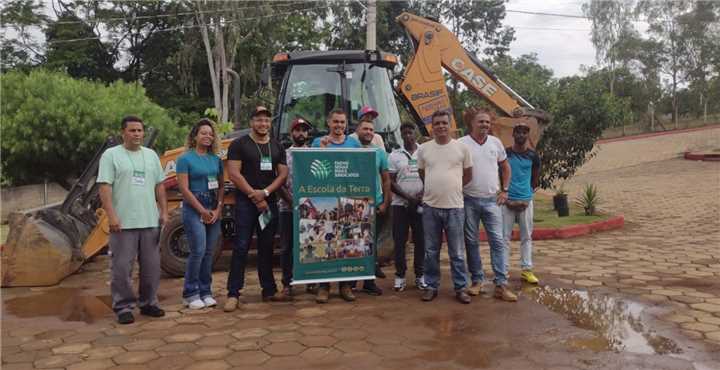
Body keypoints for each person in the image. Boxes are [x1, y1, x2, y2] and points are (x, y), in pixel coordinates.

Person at [97, 115, 167, 324]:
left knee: (152, 267)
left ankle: (149, 303)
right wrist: (112, 216)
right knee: (121, 267)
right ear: (123, 132)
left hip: (149, 221)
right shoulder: (111, 155)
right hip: (123, 223)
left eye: (139, 130)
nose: (137, 134)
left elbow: (160, 185)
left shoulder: (151, 155)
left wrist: (163, 211)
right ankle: (123, 306)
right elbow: (104, 187)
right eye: (132, 130)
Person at [224, 106, 289, 312]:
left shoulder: (277, 146)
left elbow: (282, 175)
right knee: (241, 247)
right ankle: (233, 293)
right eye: (259, 120)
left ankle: (268, 290)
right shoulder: (239, 144)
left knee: (267, 247)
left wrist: (266, 194)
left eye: (266, 120)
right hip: (245, 203)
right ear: (252, 122)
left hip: (268, 203)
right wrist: (255, 195)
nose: (263, 124)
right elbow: (234, 173)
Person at [459, 107, 517, 302]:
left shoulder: (496, 143)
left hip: (492, 201)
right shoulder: (461, 144)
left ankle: (501, 284)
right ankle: (477, 281)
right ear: (472, 123)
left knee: (498, 242)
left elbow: (505, 167)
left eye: (487, 122)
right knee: (471, 242)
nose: (485, 125)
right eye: (481, 121)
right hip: (468, 201)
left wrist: (505, 190)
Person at [417, 110, 474, 304]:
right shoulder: (424, 149)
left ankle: (460, 288)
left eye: (444, 123)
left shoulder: (462, 148)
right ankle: (431, 286)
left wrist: (453, 187)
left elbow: (468, 175)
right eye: (437, 123)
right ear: (432, 126)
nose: (441, 126)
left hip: (455, 207)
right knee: (431, 250)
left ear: (450, 125)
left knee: (457, 252)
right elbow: (422, 173)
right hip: (430, 207)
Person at [312, 108, 361, 303]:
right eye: (336, 122)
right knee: (326, 242)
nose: (339, 125)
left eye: (342, 122)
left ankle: (346, 286)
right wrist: (322, 150)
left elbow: (360, 169)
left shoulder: (354, 144)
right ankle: (324, 287)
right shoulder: (318, 142)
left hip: (348, 201)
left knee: (346, 242)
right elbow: (311, 167)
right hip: (326, 200)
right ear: (328, 123)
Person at [176, 119, 224, 310]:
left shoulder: (216, 159)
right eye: (203, 133)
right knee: (198, 250)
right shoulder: (185, 159)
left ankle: (206, 291)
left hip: (213, 206)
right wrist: (202, 211)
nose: (207, 136)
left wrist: (218, 208)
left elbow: (221, 186)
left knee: (209, 252)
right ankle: (190, 293)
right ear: (195, 136)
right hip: (194, 207)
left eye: (211, 134)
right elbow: (184, 189)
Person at [353, 118, 391, 296]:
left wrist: (385, 202)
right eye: (365, 129)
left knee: (370, 246)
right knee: (352, 244)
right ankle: (351, 282)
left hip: (374, 204)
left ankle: (369, 282)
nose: (368, 132)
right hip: (353, 205)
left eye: (371, 129)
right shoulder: (349, 150)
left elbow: (386, 179)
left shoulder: (380, 153)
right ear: (357, 131)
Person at [388, 122, 427, 291]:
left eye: (410, 132)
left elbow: (431, 175)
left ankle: (420, 275)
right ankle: (400, 276)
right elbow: (390, 181)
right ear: (401, 135)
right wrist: (408, 197)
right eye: (404, 133)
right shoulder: (394, 155)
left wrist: (421, 196)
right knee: (399, 242)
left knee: (421, 241)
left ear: (415, 133)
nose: (408, 136)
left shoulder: (424, 152)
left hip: (421, 204)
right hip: (400, 205)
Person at [502, 122, 541, 284]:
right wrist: (505, 196)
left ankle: (527, 270)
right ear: (513, 134)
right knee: (504, 238)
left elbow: (535, 178)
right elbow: (500, 174)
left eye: (524, 133)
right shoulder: (505, 153)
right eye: (518, 132)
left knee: (526, 237)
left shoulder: (533, 155)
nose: (521, 135)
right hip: (506, 201)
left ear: (528, 135)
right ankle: (502, 271)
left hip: (526, 201)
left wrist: (528, 197)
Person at [277, 117, 312, 297]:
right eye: (297, 130)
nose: (301, 133)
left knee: (309, 245)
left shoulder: (314, 154)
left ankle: (310, 281)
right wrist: (292, 201)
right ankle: (287, 283)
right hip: (287, 208)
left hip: (310, 210)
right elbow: (279, 182)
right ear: (291, 133)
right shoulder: (284, 155)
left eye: (304, 130)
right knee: (287, 247)